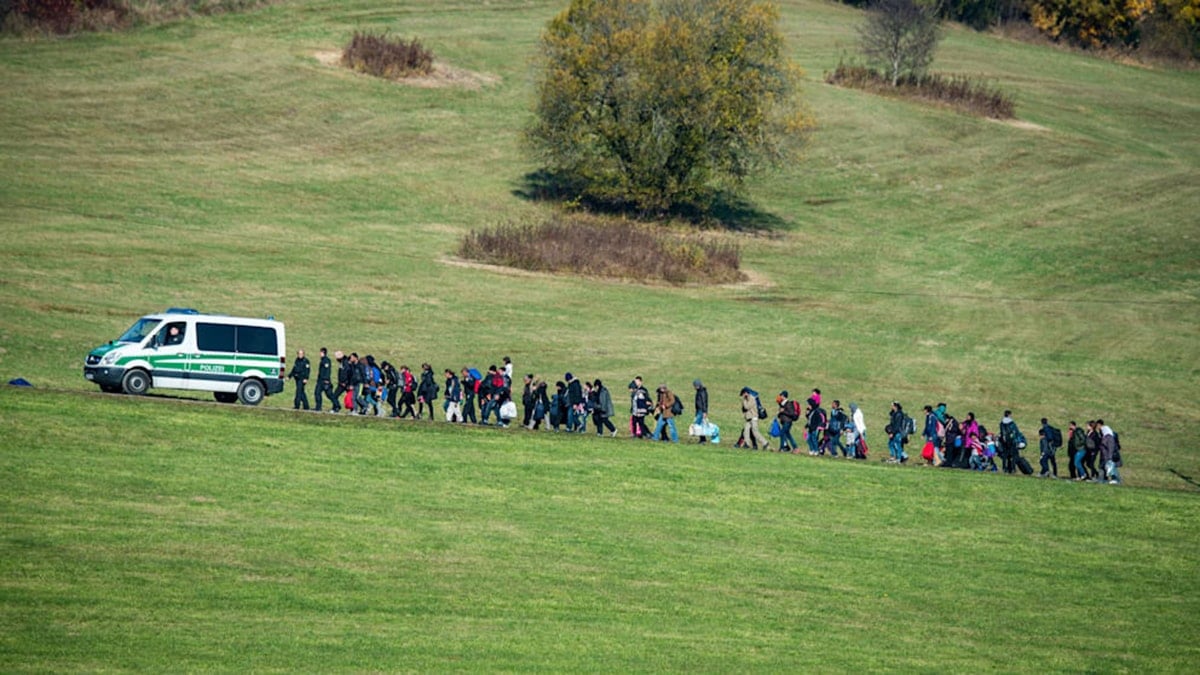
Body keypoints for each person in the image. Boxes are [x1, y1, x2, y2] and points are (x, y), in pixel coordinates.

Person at [313, 347, 337, 413]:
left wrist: (326, 379)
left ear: (323, 353)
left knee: (329, 394)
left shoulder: (326, 360)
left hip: (324, 381)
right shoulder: (323, 360)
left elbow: (327, 371)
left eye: (320, 352)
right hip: (320, 380)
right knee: (317, 393)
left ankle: (337, 405)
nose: (319, 354)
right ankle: (318, 407)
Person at [1098, 419, 1121, 484]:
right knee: (1106, 467)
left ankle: (1115, 479)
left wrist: (1110, 457)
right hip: (1105, 455)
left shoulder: (1109, 437)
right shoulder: (1106, 437)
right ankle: (1103, 479)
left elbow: (1111, 448)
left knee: (1111, 468)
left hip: (1108, 456)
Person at [692, 379, 709, 443]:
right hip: (699, 410)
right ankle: (702, 439)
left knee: (698, 425)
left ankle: (703, 439)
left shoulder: (702, 392)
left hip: (701, 410)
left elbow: (704, 402)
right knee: (700, 425)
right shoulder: (699, 391)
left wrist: (704, 412)